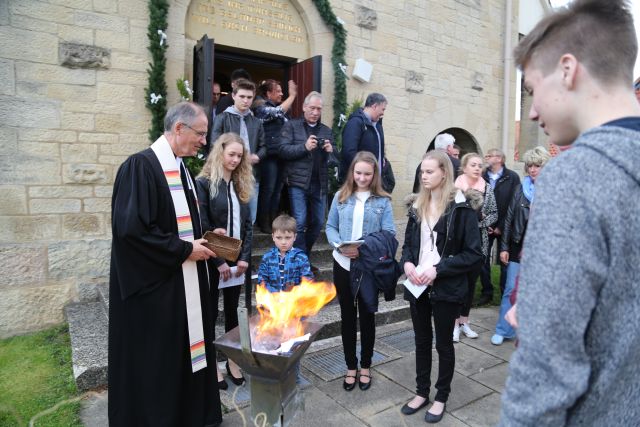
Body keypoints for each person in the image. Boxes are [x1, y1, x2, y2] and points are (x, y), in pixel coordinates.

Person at [499, 0, 640, 425]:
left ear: (567, 69)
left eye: (531, 89)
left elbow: (544, 372)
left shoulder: (573, 177)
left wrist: (542, 318)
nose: (534, 111)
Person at [108, 102, 222, 426]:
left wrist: (207, 238)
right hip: (158, 295)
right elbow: (131, 232)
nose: (203, 141)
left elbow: (178, 225)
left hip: (182, 289)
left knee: (185, 357)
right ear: (178, 129)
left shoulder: (181, 170)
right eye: (200, 134)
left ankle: (189, 416)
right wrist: (184, 249)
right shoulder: (140, 167)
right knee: (159, 363)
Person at [400, 150, 482, 423]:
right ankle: (421, 392)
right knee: (421, 341)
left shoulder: (461, 210)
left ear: (444, 172)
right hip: (417, 285)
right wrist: (408, 265)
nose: (424, 176)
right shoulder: (416, 207)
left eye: (429, 171)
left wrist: (439, 270)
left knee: (443, 344)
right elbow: (409, 247)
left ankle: (441, 396)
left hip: (445, 288)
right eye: (422, 171)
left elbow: (473, 254)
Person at [326, 151, 396, 392]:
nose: (362, 178)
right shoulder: (340, 196)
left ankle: (365, 365)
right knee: (347, 316)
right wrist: (339, 245)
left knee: (367, 316)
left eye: (367, 173)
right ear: (352, 172)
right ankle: (350, 366)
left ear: (374, 174)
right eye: (358, 173)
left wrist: (363, 250)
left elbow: (389, 234)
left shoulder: (383, 201)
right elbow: (330, 226)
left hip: (367, 266)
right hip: (343, 264)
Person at [195, 132, 255, 388]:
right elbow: (203, 225)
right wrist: (218, 262)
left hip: (237, 262)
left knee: (233, 313)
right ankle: (211, 367)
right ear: (220, 152)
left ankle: (232, 361)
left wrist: (244, 259)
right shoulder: (205, 183)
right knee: (210, 313)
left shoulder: (242, 184)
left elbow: (249, 226)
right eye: (231, 154)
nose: (235, 159)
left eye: (239, 156)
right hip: (212, 261)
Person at [491, 146, 550, 346]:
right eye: (530, 165)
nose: (533, 170)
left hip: (542, 250)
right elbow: (508, 220)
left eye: (537, 166)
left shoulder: (553, 189)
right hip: (517, 247)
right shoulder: (520, 188)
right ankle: (503, 329)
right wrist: (504, 247)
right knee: (510, 289)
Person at [279, 91, 335, 261]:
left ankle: (302, 255)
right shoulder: (291, 126)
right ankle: (302, 261)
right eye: (312, 108)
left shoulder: (326, 130)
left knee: (318, 223)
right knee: (300, 223)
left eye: (319, 109)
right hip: (297, 182)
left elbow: (333, 161)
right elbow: (282, 150)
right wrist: (304, 147)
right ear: (304, 107)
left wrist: (330, 152)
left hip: (319, 183)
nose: (315, 112)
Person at [453, 153, 497, 342]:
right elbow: (449, 215)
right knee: (457, 285)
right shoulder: (455, 188)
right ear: (464, 167)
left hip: (479, 243)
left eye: (480, 165)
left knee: (470, 285)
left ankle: (465, 323)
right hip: (457, 244)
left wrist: (479, 223)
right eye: (473, 165)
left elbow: (494, 213)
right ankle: (454, 325)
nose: (478, 168)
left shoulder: (487, 188)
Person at [210, 79, 266, 224]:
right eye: (242, 96)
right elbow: (214, 145)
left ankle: (245, 247)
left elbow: (264, 147)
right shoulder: (222, 118)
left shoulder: (256, 122)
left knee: (249, 219)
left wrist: (257, 156)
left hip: (251, 175)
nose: (246, 100)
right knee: (228, 218)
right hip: (227, 175)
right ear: (233, 96)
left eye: (249, 97)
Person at [253, 79, 298, 233]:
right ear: (268, 93)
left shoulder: (282, 111)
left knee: (277, 190)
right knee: (269, 189)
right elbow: (277, 112)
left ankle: (273, 221)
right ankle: (263, 222)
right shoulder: (260, 107)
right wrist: (292, 96)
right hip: (269, 156)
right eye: (278, 91)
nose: (281, 93)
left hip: (282, 155)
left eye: (282, 91)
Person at [477, 148, 520, 306]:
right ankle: (486, 291)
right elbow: (479, 200)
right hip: (486, 225)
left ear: (500, 159)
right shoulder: (482, 176)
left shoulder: (512, 177)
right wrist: (488, 223)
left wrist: (501, 226)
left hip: (505, 227)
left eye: (490, 155)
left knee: (505, 261)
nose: (486, 158)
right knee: (483, 258)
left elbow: (513, 204)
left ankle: (504, 293)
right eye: (486, 155)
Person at [341, 93, 394, 192]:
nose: (383, 113)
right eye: (383, 109)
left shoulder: (378, 125)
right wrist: (364, 174)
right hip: (359, 183)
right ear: (374, 106)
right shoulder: (355, 123)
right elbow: (349, 152)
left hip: (373, 181)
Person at [257, 214, 313, 292]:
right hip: (272, 301)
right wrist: (276, 294)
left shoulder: (301, 257)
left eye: (288, 237)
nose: (283, 242)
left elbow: (307, 281)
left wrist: (293, 292)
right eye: (279, 238)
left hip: (294, 301)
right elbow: (261, 281)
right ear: (273, 237)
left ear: (295, 237)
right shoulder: (267, 257)